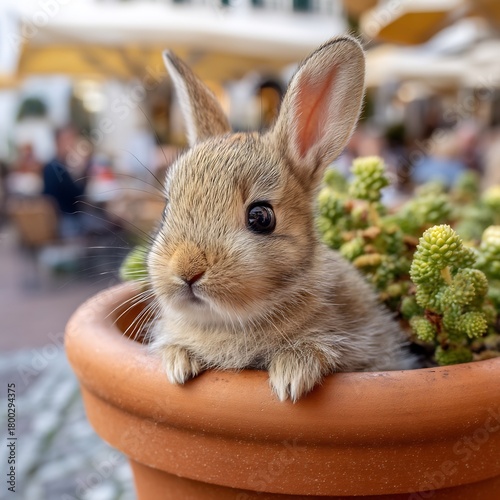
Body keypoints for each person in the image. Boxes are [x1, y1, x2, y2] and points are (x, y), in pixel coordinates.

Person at [42, 126, 87, 239]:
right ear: (58, 142)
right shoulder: (57, 168)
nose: (72, 144)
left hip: (61, 219)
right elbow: (79, 194)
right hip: (66, 221)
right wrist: (81, 170)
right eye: (68, 139)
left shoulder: (53, 165)